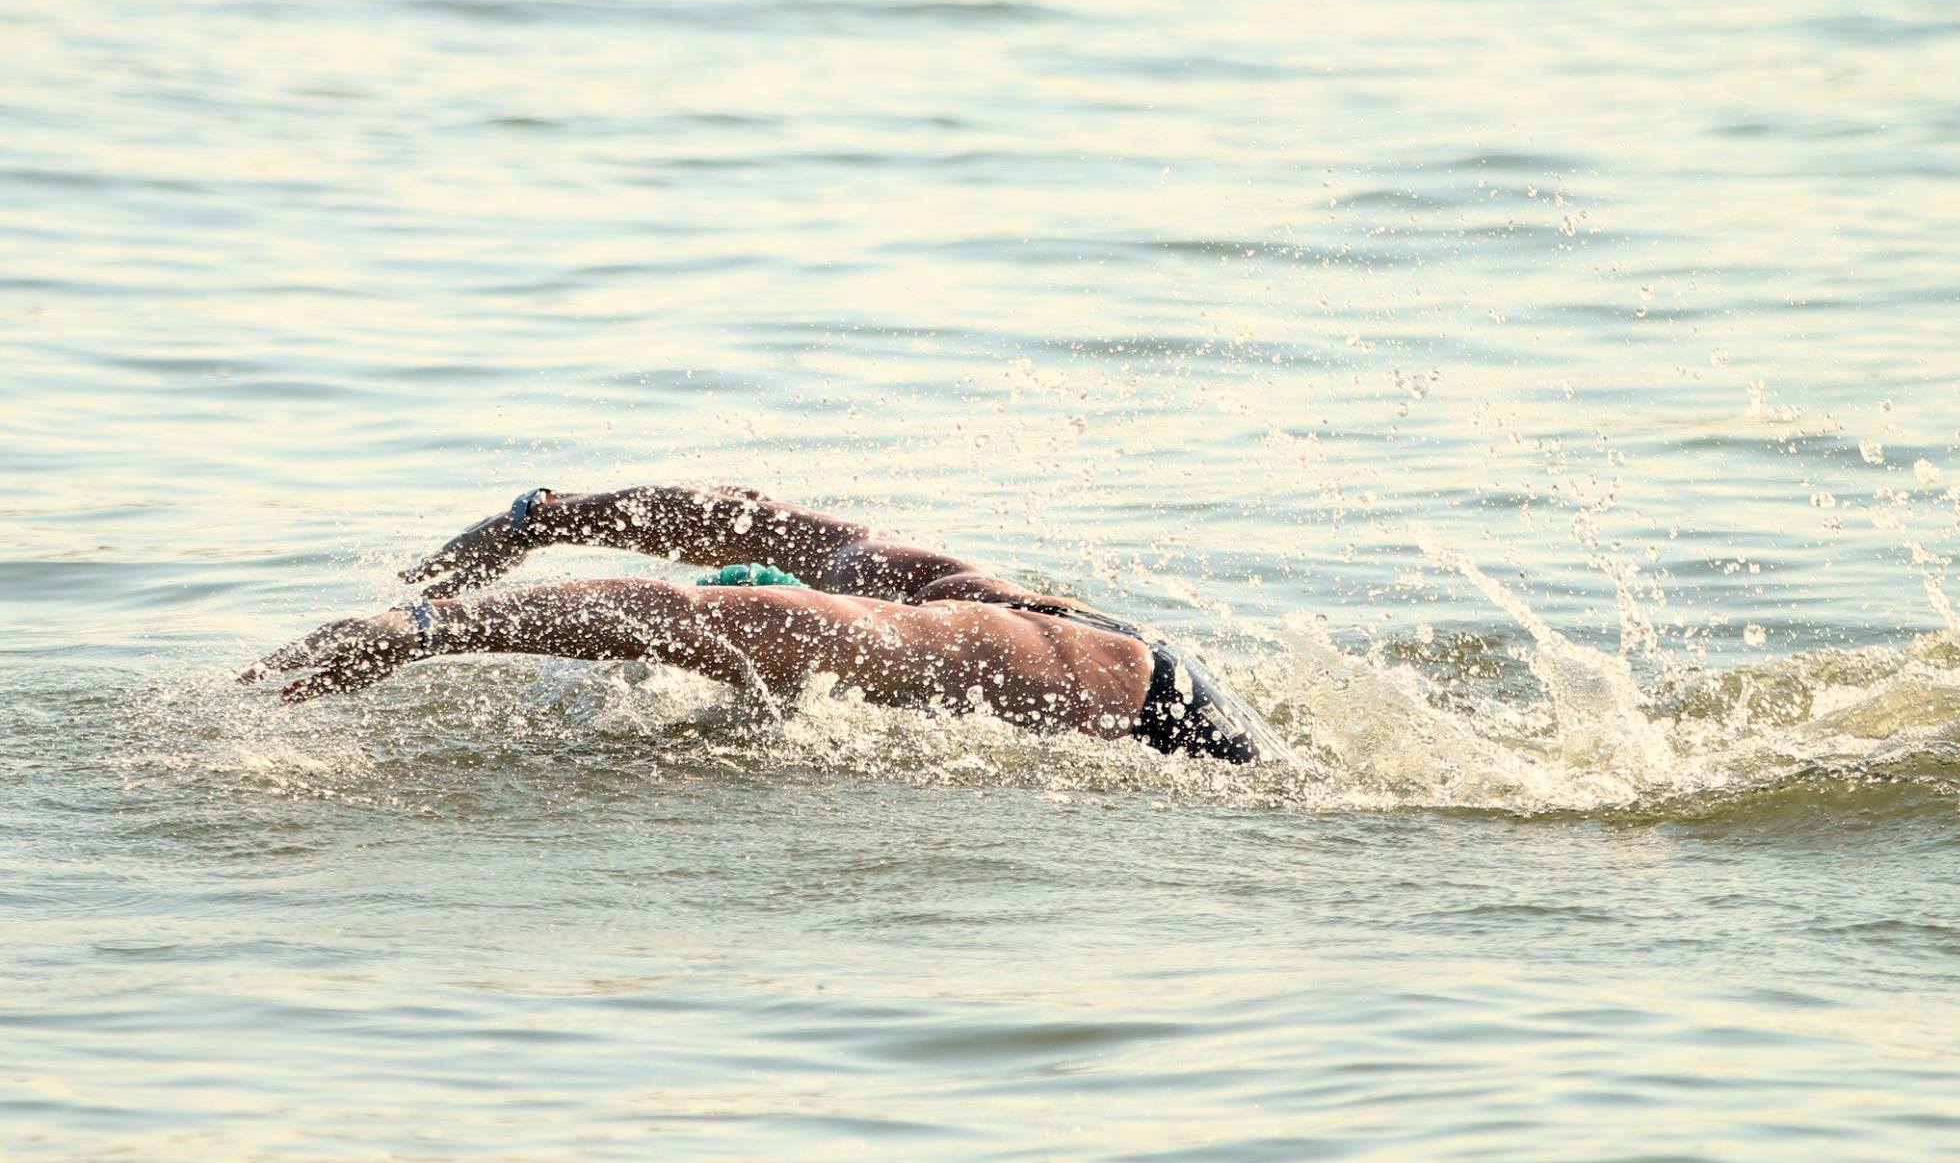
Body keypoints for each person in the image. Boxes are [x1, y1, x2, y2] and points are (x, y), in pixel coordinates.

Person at [240, 485, 1281, 763]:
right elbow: (742, 516)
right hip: (1154, 674)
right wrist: (542, 519)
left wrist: (425, 625)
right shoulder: (898, 580)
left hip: (1171, 732)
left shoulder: (854, 630)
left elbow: (671, 610)